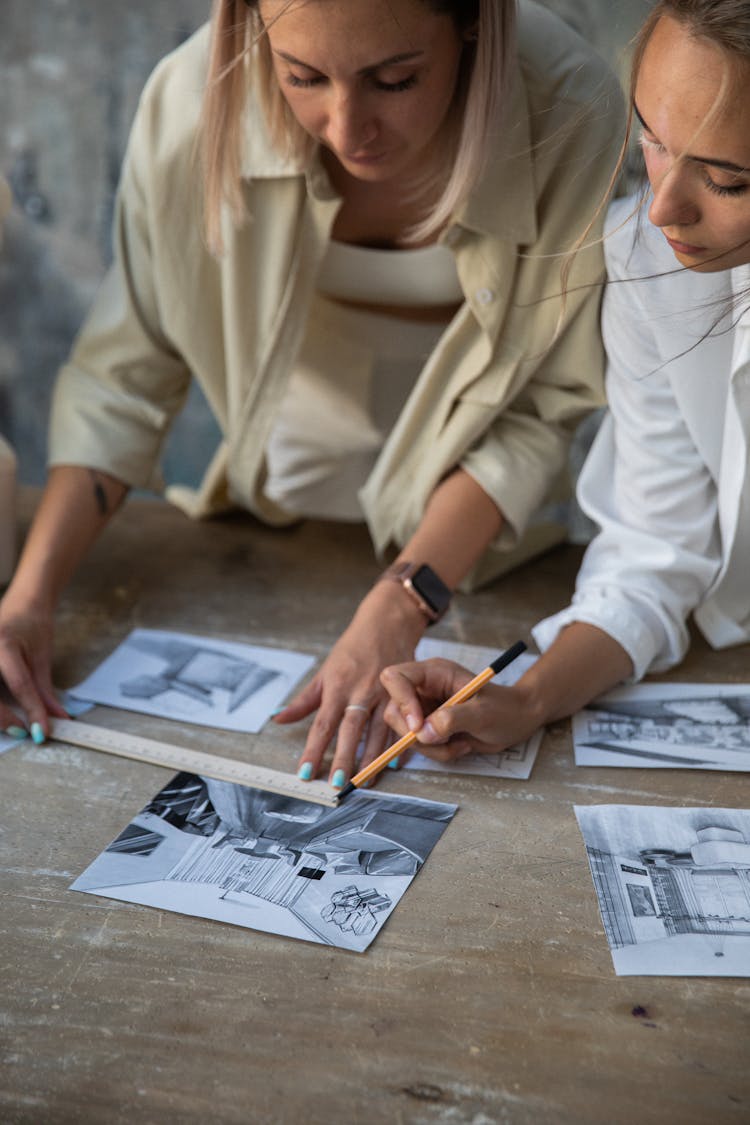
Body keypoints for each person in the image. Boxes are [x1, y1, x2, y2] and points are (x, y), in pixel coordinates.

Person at [0, 0, 623, 782]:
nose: (345, 127)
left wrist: (405, 599)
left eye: (394, 80)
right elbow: (124, 376)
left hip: (479, 558)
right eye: (300, 76)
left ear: (472, 25)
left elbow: (540, 408)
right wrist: (28, 599)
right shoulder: (189, 101)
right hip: (272, 529)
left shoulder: (567, 106)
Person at [381, 0, 750, 764]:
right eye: (652, 138)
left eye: (725, 180)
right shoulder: (648, 260)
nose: (662, 208)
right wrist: (528, 698)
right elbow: (654, 554)